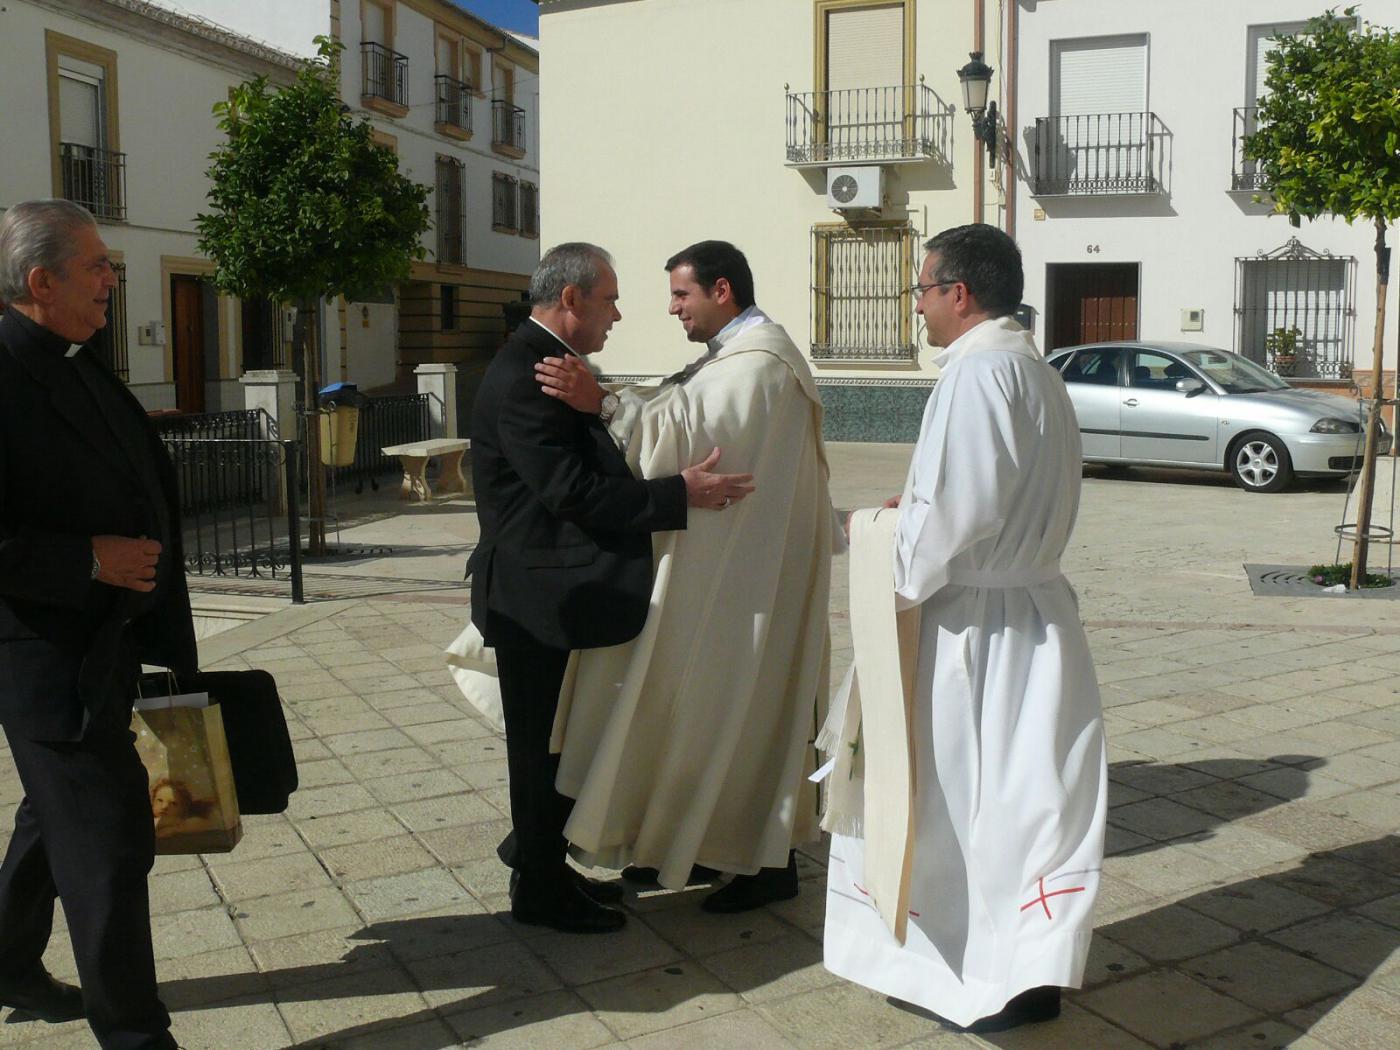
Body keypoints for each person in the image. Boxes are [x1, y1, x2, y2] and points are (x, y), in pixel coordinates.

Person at [819, 224, 1107, 1032]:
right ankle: (1032, 971)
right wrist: (908, 516)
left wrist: (878, 537)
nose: (916, 305)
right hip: (1034, 613)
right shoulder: (1034, 370)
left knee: (964, 802)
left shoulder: (978, 374)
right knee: (1030, 800)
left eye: (920, 289)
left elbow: (957, 513)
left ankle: (975, 976)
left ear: (960, 293)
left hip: (973, 631)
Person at [533, 240, 837, 910]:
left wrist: (605, 406)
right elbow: (683, 406)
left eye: (681, 295)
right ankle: (697, 846)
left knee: (737, 716)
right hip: (723, 577)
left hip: (746, 590)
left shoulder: (761, 365)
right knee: (696, 714)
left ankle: (765, 865)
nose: (671, 309)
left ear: (721, 291)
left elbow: (694, 434)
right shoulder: (733, 357)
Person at [467, 242, 753, 935]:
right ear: (570, 299)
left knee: (558, 745)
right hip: (539, 599)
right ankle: (537, 890)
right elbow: (570, 492)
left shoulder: (549, 363)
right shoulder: (527, 373)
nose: (618, 315)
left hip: (555, 594)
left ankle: (546, 867)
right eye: (609, 299)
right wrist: (677, 495)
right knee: (538, 753)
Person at [0, 199, 197, 1049]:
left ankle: (5, 963)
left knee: (55, 824)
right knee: (110, 848)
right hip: (48, 658)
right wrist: (85, 557)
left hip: (110, 643)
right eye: (97, 266)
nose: (113, 277)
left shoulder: (76, 356)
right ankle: (136, 1036)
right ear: (41, 281)